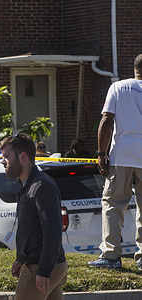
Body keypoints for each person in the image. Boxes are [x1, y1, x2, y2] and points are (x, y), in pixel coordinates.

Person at [87, 53, 142, 269]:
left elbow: (107, 119)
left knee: (113, 204)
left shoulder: (119, 88)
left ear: (134, 68)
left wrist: (102, 153)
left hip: (122, 155)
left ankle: (111, 256)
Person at [0, 133, 67, 300]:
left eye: (6, 156)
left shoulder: (42, 187)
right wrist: (21, 258)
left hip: (41, 268)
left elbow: (53, 233)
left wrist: (44, 270)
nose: (2, 161)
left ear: (23, 157)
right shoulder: (28, 185)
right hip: (42, 265)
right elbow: (30, 229)